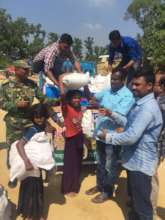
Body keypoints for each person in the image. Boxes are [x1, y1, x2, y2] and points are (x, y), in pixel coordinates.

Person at [98, 69, 163, 220]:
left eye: (137, 84)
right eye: (132, 84)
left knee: (143, 208)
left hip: (141, 164)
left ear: (149, 86)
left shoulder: (147, 109)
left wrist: (109, 137)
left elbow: (131, 136)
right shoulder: (139, 103)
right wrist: (112, 114)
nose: (133, 87)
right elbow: (129, 124)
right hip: (133, 161)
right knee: (135, 202)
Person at [84, 69, 135, 203]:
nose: (113, 81)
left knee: (110, 165)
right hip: (101, 133)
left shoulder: (127, 96)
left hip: (113, 136)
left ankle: (107, 191)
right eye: (112, 79)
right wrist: (84, 84)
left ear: (123, 80)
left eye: (116, 79)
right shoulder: (107, 90)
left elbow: (120, 118)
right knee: (100, 163)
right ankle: (100, 185)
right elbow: (93, 98)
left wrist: (99, 105)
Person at [0, 60, 41, 188]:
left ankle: (29, 173)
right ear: (16, 70)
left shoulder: (32, 84)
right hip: (13, 124)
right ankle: (13, 177)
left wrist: (57, 101)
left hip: (28, 123)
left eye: (28, 69)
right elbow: (1, 103)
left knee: (30, 149)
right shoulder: (6, 86)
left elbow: (43, 98)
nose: (27, 71)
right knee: (12, 150)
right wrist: (15, 105)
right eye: (24, 69)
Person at [16, 103, 48, 220]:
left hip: (37, 166)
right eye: (36, 117)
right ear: (32, 117)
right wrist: (26, 161)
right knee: (32, 190)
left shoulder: (41, 127)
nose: (39, 119)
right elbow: (20, 145)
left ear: (45, 116)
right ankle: (31, 215)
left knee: (36, 189)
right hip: (30, 166)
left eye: (41, 116)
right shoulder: (32, 129)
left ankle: (35, 213)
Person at [60, 89, 84, 197]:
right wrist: (61, 83)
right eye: (74, 98)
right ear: (69, 99)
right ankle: (67, 188)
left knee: (77, 164)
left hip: (79, 137)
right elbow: (63, 97)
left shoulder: (79, 108)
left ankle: (74, 187)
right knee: (70, 164)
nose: (77, 100)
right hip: (71, 138)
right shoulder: (66, 108)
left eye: (78, 98)